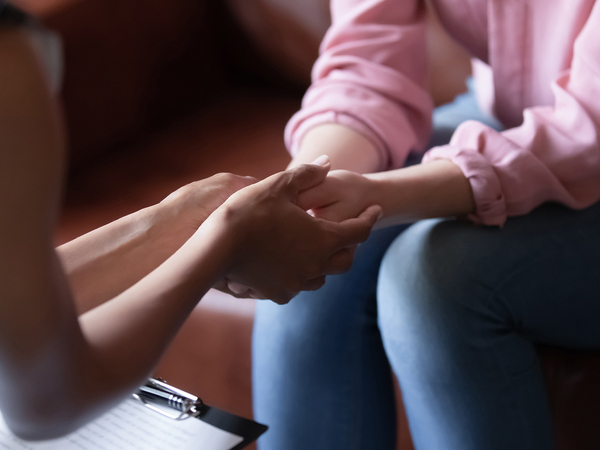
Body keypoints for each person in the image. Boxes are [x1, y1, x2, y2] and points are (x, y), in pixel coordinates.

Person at [0, 2, 381, 440]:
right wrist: (224, 241)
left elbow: (15, 312)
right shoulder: (10, 66)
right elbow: (48, 401)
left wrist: (174, 222)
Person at [252, 0, 600, 449]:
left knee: (434, 280)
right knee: (311, 263)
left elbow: (589, 124)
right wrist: (300, 198)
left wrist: (382, 196)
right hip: (508, 111)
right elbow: (367, 64)